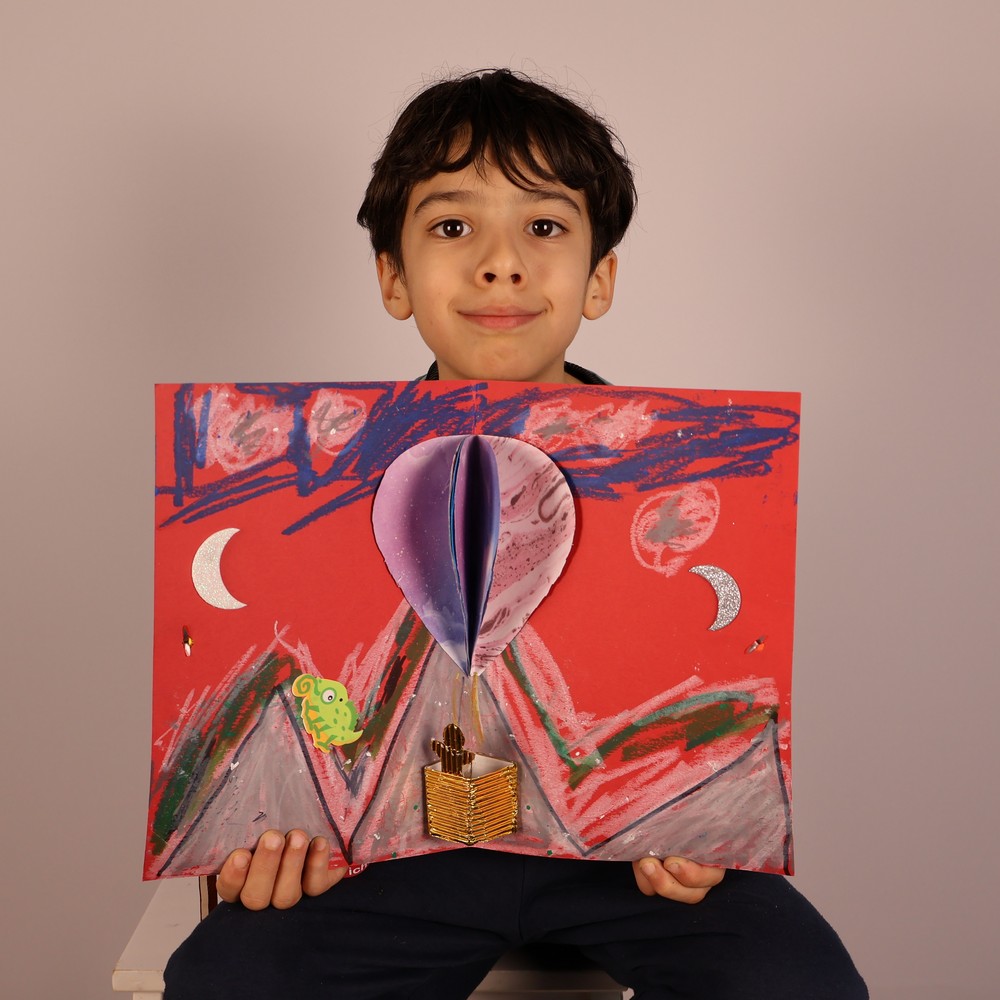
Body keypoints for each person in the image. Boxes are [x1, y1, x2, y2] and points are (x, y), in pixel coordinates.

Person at [164, 68, 867, 999]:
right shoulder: (321, 487)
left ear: (599, 277)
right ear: (393, 276)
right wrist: (262, 827)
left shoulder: (678, 483)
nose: (501, 264)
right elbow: (272, 692)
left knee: (797, 982)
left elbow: (715, 689)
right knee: (228, 978)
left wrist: (705, 821)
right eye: (453, 228)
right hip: (389, 856)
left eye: (544, 227)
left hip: (634, 859)